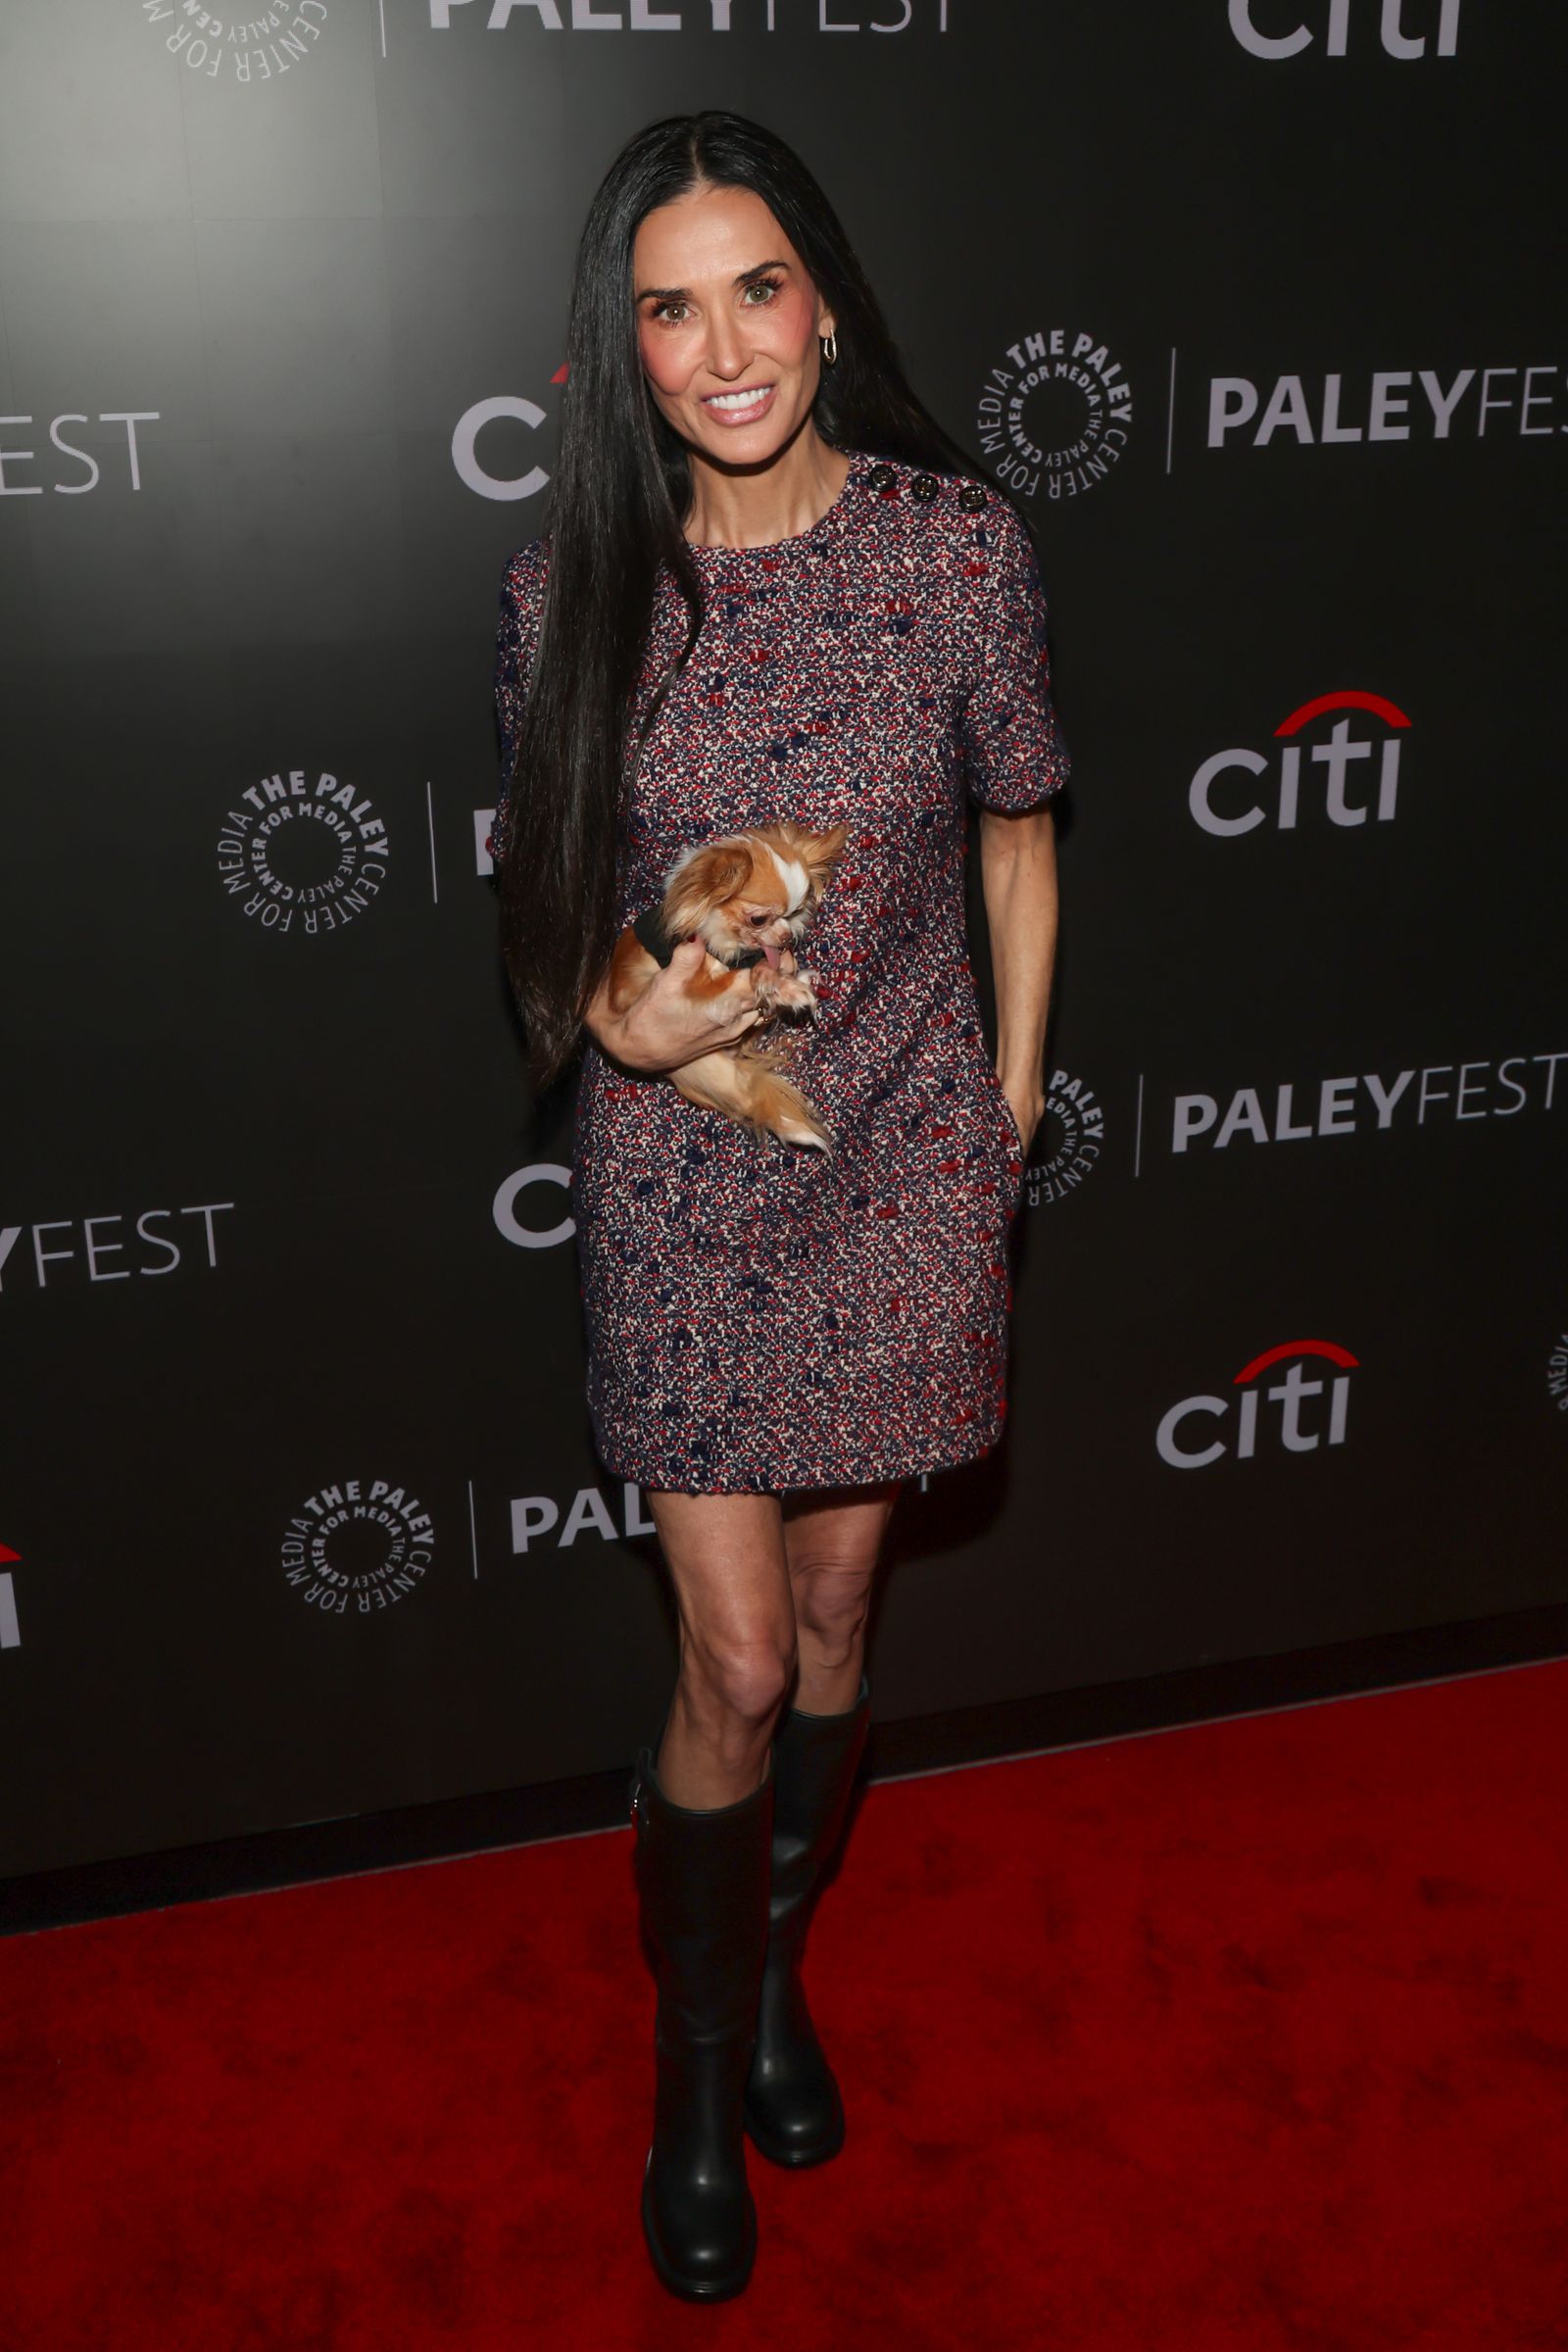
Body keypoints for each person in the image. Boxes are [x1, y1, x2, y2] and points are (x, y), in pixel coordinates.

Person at [489, 109, 1068, 2302]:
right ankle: (693, 2054)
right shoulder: (575, 597)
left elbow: (1018, 829)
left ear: (821, 309)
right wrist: (629, 1030)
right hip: (677, 1186)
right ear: (622, 348)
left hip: (905, 1164)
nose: (718, 344)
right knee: (729, 1655)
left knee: (836, 1629)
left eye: (753, 289)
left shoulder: (955, 552)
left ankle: (782, 1970)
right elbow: (550, 937)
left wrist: (1003, 1108)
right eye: (666, 306)